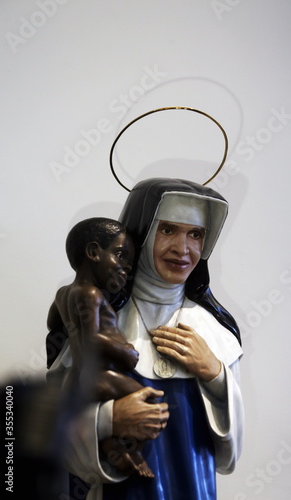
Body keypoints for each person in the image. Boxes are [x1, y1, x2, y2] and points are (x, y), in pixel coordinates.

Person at [47, 178, 244, 500]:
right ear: (140, 235)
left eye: (195, 234)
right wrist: (109, 419)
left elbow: (229, 456)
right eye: (168, 230)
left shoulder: (214, 330)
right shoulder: (95, 317)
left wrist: (216, 375)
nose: (183, 249)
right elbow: (54, 425)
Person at [46, 217, 158, 479]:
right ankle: (129, 452)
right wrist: (126, 353)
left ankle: (111, 444)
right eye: (120, 256)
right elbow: (91, 340)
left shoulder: (64, 293)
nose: (126, 267)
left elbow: (54, 325)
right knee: (151, 400)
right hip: (97, 377)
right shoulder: (92, 295)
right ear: (94, 252)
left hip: (78, 378)